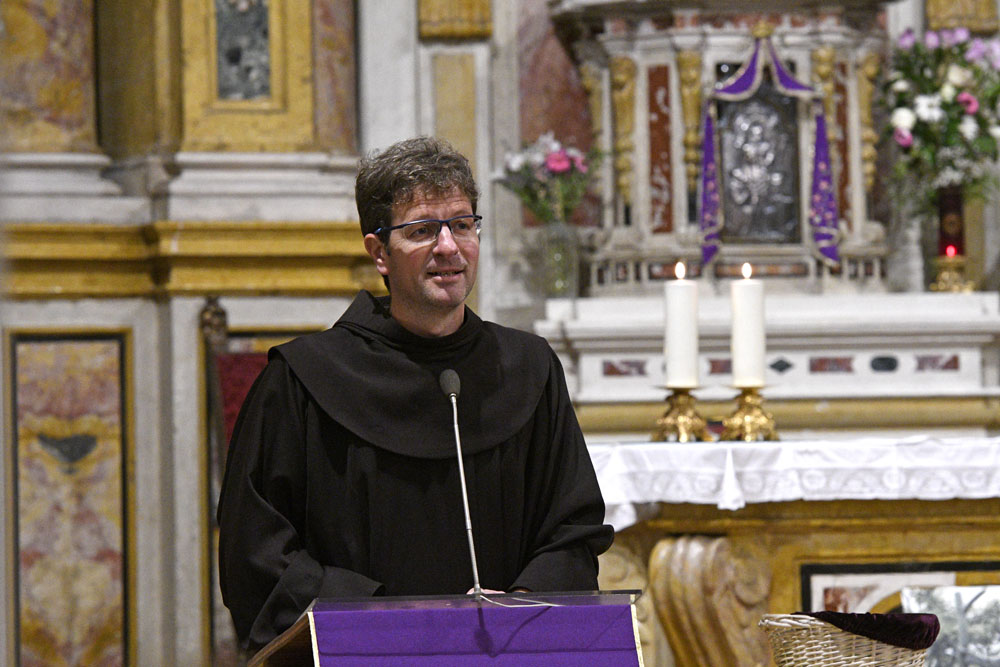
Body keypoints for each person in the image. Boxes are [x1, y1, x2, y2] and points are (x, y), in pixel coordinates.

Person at [216, 136, 614, 652]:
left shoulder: (528, 368)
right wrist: (390, 623)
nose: (448, 247)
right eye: (423, 230)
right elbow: (257, 552)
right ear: (379, 252)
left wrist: (518, 606)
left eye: (463, 225)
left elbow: (573, 530)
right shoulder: (302, 380)